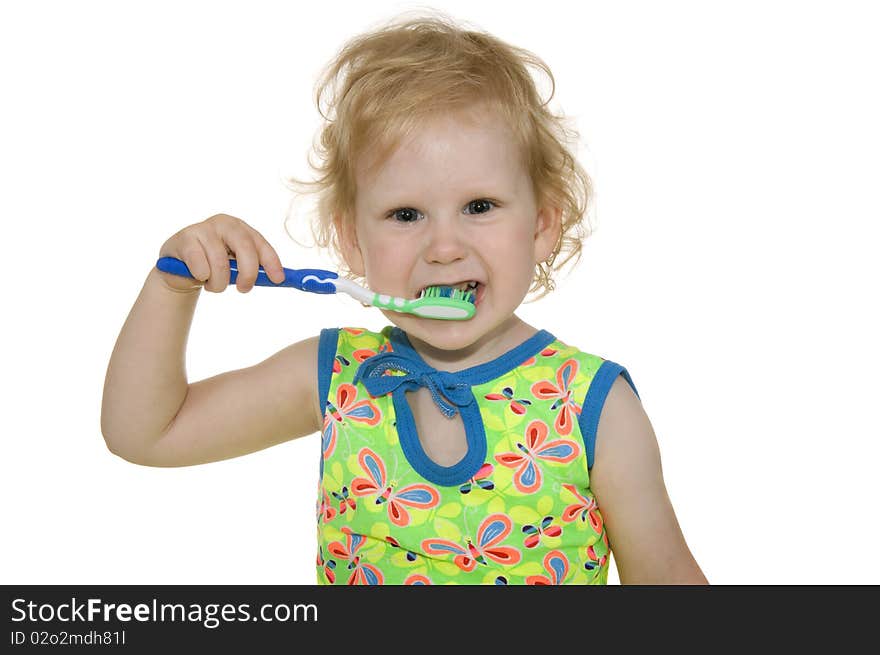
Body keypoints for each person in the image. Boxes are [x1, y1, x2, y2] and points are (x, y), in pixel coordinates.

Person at [101, 12, 708, 585]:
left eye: (479, 206)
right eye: (405, 213)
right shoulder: (337, 377)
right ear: (354, 245)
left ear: (542, 226)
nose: (444, 246)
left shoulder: (593, 407)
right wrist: (170, 288)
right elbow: (147, 434)